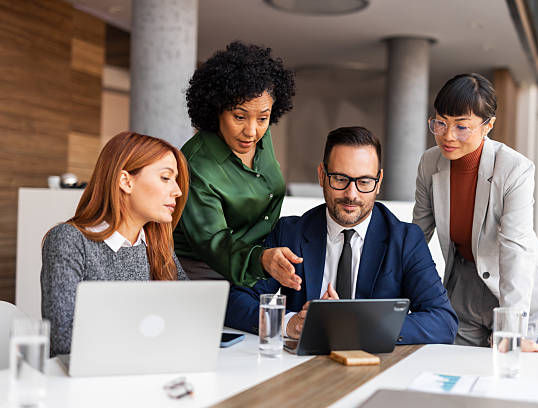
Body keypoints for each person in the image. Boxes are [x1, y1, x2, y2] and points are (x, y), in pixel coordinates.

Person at [225, 127, 458, 344]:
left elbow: (442, 321)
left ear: (379, 182)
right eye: (340, 179)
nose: (351, 194)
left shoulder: (406, 240)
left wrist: (357, 324)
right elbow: (236, 303)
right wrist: (288, 323)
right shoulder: (291, 233)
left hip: (373, 367)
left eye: (364, 181)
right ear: (321, 175)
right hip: (299, 368)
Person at [413, 73, 538, 351]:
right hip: (463, 286)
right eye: (440, 123)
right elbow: (417, 234)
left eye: (462, 127)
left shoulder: (515, 169)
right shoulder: (429, 162)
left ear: (488, 126)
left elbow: (515, 249)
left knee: (505, 376)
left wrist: (511, 331)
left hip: (517, 289)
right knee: (459, 369)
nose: (447, 136)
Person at [41, 132, 189, 356]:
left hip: (148, 371)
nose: (177, 191)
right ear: (125, 181)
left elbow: (188, 315)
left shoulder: (157, 244)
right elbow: (63, 340)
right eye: (166, 178)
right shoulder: (69, 240)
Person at [174, 41, 302, 290]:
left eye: (263, 118)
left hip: (259, 265)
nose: (251, 131)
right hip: (206, 272)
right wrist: (260, 259)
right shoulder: (195, 164)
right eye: (239, 117)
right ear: (217, 110)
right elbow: (215, 243)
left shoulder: (261, 136)